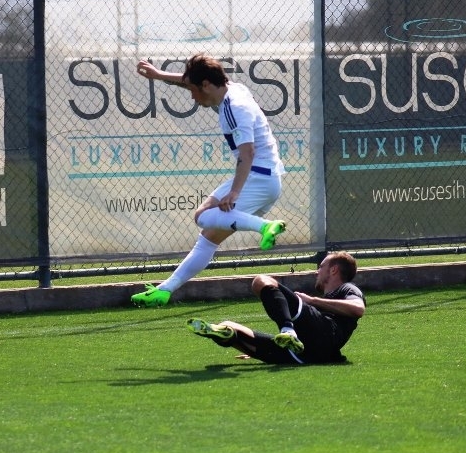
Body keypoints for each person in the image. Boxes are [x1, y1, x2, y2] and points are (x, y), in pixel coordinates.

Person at [131, 54, 287, 308]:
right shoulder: (232, 90)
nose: (192, 97)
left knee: (203, 216)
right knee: (208, 236)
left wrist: (234, 193)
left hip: (258, 177)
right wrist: (159, 75)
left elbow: (247, 153)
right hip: (263, 176)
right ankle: (164, 290)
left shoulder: (235, 107)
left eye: (193, 90)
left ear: (205, 85)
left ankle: (265, 226)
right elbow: (189, 81)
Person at [187, 252, 365, 365]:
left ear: (333, 270)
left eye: (321, 267)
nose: (317, 271)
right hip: (307, 354)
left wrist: (311, 301)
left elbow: (358, 309)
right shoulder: (326, 298)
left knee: (261, 281)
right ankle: (229, 335)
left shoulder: (347, 288)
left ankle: (287, 329)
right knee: (229, 327)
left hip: (323, 331)